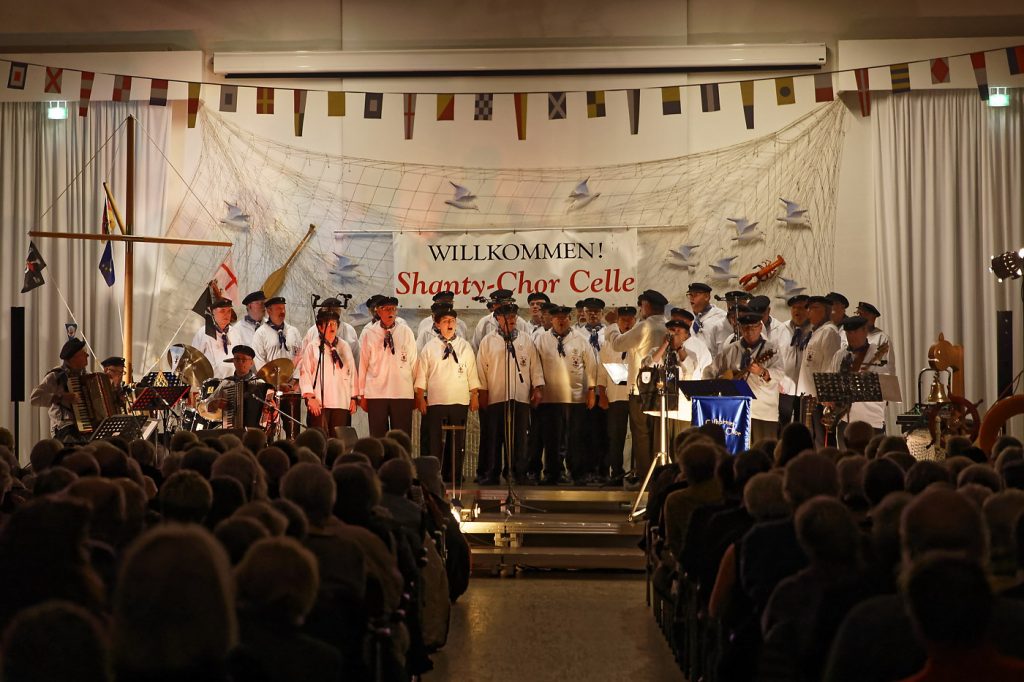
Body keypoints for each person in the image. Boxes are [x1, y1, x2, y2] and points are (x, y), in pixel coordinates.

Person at [476, 302, 544, 485]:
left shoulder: (525, 340)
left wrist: (537, 388)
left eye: (513, 317)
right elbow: (481, 369)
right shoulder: (488, 341)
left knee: (520, 437)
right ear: (498, 319)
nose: (511, 320)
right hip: (496, 396)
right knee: (494, 436)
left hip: (520, 395)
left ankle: (518, 472)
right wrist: (482, 392)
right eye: (507, 317)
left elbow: (534, 366)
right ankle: (492, 472)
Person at [607, 289, 669, 482]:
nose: (641, 309)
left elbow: (618, 344)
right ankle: (659, 475)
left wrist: (612, 325)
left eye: (642, 305)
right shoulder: (667, 325)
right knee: (658, 434)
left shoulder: (645, 326)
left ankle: (645, 477)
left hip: (640, 389)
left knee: (641, 434)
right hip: (662, 388)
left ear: (647, 306)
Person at [415, 307, 480, 484]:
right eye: (445, 321)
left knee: (458, 440)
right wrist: (421, 398)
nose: (450, 324)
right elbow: (422, 375)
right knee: (436, 441)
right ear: (437, 325)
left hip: (459, 400)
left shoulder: (464, 346)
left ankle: (455, 475)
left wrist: (474, 395)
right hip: (436, 400)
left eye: (452, 321)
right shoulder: (430, 347)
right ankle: (436, 475)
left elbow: (472, 373)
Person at [534, 305, 597, 485]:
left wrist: (591, 390)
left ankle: (577, 473)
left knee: (576, 438)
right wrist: (537, 388)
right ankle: (553, 473)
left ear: (570, 319)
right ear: (551, 320)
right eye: (557, 318)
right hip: (550, 397)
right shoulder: (541, 339)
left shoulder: (580, 339)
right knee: (552, 438)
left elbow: (591, 366)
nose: (561, 321)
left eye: (564, 318)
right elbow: (535, 365)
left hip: (575, 396)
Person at [704, 312, 783, 443]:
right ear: (740, 328)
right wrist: (714, 389)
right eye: (746, 328)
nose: (749, 331)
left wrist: (762, 372)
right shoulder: (731, 349)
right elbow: (710, 370)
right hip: (734, 411)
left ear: (760, 327)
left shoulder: (771, 350)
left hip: (762, 411)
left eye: (753, 327)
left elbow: (780, 373)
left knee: (763, 449)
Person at [358, 295, 418, 437]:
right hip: (376, 393)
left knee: (401, 437)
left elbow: (414, 362)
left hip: (402, 392)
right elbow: (363, 365)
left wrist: (416, 392)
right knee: (378, 438)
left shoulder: (405, 331)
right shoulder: (369, 333)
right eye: (386, 309)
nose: (391, 312)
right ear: (378, 312)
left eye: (393, 309)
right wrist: (362, 394)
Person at [827, 316, 892, 445]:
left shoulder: (878, 355)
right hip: (844, 420)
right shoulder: (840, 355)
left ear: (865, 331)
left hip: (871, 421)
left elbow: (886, 388)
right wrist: (829, 397)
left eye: (855, 332)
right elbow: (830, 380)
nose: (851, 336)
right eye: (848, 333)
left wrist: (864, 380)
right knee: (845, 455)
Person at [644, 317, 712, 439]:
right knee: (659, 445)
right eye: (671, 330)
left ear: (686, 336)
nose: (673, 334)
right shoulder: (657, 351)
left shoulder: (691, 354)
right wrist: (665, 345)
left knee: (680, 445)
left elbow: (689, 372)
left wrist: (679, 348)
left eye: (678, 331)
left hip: (682, 411)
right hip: (659, 409)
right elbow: (648, 367)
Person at [299, 309, 357, 436]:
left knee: (339, 439)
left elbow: (352, 372)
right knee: (320, 437)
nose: (332, 327)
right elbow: (305, 373)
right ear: (320, 327)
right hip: (320, 403)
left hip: (341, 401)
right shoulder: (313, 346)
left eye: (334, 324)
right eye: (328, 324)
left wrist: (353, 398)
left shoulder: (344, 346)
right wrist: (310, 398)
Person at [598, 306, 636, 485]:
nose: (627, 323)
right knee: (616, 436)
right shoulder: (608, 344)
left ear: (635, 321)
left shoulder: (638, 340)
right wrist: (602, 394)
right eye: (623, 320)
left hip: (636, 395)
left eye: (630, 320)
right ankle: (616, 472)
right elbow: (601, 371)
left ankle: (636, 471)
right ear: (618, 321)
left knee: (638, 436)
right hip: (615, 396)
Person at [796, 295, 842, 446]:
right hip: (809, 393)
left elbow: (831, 365)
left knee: (821, 439)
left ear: (827, 311)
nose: (810, 312)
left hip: (819, 396)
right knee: (810, 438)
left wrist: (827, 394)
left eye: (815, 308)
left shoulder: (829, 331)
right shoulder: (816, 331)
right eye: (809, 308)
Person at [30, 337, 90, 442]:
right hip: (64, 427)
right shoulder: (55, 376)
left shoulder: (88, 376)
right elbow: (35, 398)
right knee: (72, 437)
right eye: (83, 353)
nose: (87, 355)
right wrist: (61, 397)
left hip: (85, 426)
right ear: (73, 358)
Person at [778, 294, 809, 432]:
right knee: (782, 424)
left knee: (803, 426)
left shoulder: (814, 330)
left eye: (801, 308)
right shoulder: (782, 329)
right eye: (794, 308)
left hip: (806, 388)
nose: (797, 311)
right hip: (785, 386)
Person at [192, 298, 243, 379]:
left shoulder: (235, 333)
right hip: (210, 382)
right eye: (222, 311)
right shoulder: (203, 333)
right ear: (213, 312)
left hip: (233, 381)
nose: (226, 315)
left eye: (229, 311)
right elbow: (193, 361)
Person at [301, 297, 359, 367]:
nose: (332, 313)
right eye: (330, 310)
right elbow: (303, 356)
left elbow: (356, 356)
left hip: (344, 371)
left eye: (335, 310)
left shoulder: (349, 330)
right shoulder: (313, 330)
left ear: (339, 311)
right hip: (319, 370)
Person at [687, 282, 731, 356]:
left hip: (713, 361)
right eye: (690, 295)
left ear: (707, 297)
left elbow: (723, 349)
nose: (691, 298)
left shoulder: (721, 317)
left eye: (695, 295)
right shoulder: (692, 318)